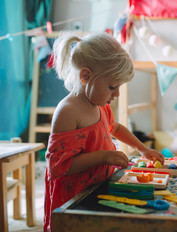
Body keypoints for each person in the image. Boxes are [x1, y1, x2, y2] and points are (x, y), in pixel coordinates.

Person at [43, 31, 164, 232]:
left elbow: (115, 128)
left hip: (97, 186)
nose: (116, 94)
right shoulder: (68, 111)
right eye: (112, 87)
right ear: (85, 76)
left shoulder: (100, 105)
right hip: (74, 197)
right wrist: (104, 156)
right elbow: (58, 166)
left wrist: (141, 148)